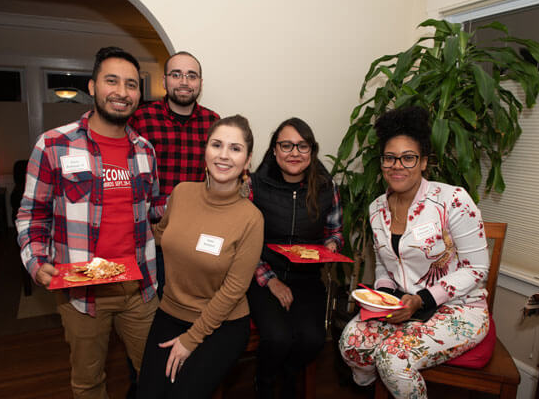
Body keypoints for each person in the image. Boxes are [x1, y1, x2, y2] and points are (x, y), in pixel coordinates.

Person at [16, 47, 164, 399]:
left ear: (138, 95)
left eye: (131, 84)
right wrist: (36, 262)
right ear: (93, 87)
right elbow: (31, 214)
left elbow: (155, 208)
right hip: (82, 293)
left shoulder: (145, 151)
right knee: (88, 383)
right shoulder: (53, 145)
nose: (122, 91)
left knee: (156, 378)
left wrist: (207, 198)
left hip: (139, 290)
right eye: (111, 81)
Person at [339, 106, 490, 398]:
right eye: (390, 158)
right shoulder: (376, 210)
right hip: (401, 306)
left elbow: (477, 268)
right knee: (351, 344)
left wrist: (421, 300)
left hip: (457, 307)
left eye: (408, 158)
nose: (398, 166)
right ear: (382, 162)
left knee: (392, 359)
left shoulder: (453, 200)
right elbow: (385, 264)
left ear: (423, 163)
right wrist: (383, 297)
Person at [136, 115, 264, 399]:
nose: (224, 155)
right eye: (217, 145)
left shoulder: (251, 219)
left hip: (223, 323)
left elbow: (233, 291)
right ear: (205, 150)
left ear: (248, 160)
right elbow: (162, 235)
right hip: (170, 312)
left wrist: (191, 340)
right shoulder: (182, 193)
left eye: (235, 148)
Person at [247, 118, 344, 398]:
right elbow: (243, 242)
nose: (294, 152)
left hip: (307, 280)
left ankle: (288, 377)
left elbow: (335, 231)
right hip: (264, 278)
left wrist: (331, 246)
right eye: (286, 145)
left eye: (302, 146)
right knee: (277, 338)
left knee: (313, 340)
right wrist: (271, 281)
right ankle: (264, 383)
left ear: (312, 152)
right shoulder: (254, 185)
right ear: (274, 150)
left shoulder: (327, 188)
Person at [129, 51, 220, 299]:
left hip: (197, 232)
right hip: (155, 234)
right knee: (155, 303)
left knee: (194, 300)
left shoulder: (214, 122)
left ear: (200, 83)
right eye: (176, 74)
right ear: (164, 80)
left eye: (192, 76)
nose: (184, 81)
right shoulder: (141, 119)